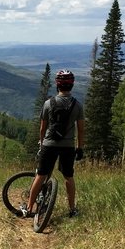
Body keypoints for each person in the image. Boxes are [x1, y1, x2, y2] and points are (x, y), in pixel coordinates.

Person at [20, 69, 84, 219]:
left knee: (41, 175)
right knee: (69, 177)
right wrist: (80, 148)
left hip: (49, 144)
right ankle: (72, 209)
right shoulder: (78, 105)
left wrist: (41, 144)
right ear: (72, 85)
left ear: (57, 85)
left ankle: (29, 208)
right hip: (68, 147)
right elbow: (81, 130)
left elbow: (42, 128)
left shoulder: (48, 103)